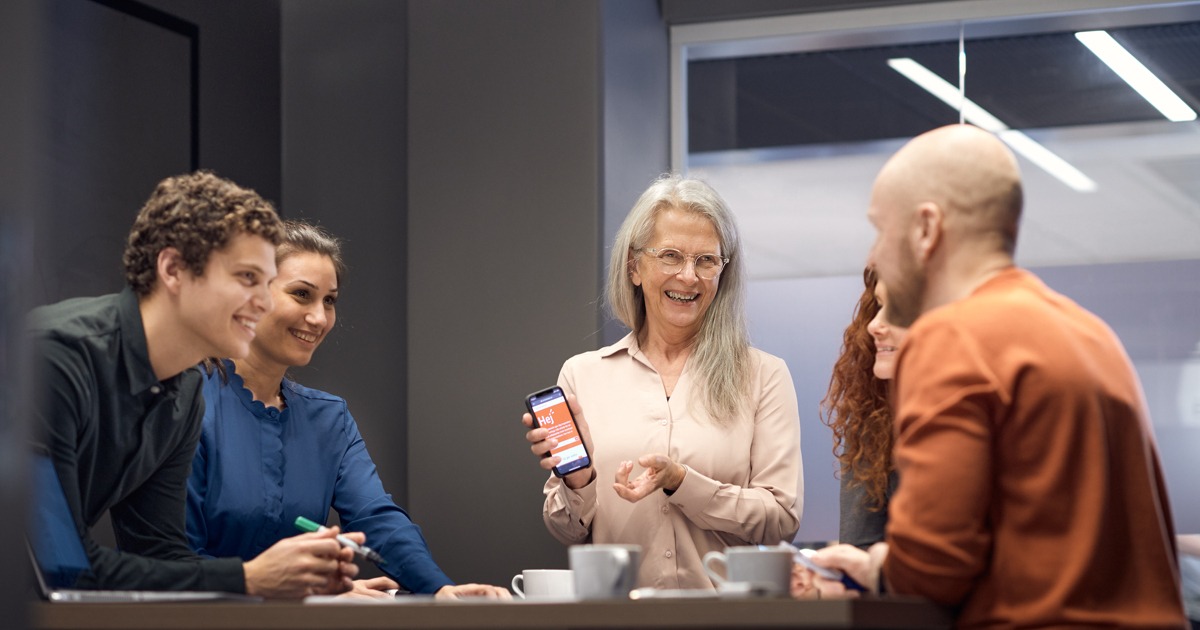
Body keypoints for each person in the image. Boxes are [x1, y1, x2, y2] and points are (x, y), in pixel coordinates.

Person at [804, 124, 1186, 627]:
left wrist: (874, 567)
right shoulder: (1092, 335)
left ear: (926, 229)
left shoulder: (952, 339)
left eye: (881, 229)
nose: (875, 254)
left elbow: (931, 570)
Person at [29, 172, 360, 597]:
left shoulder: (183, 390)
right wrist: (249, 579)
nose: (262, 302)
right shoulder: (54, 357)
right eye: (246, 278)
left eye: (265, 283)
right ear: (173, 269)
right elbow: (56, 562)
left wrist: (280, 588)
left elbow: (162, 554)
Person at [187, 220, 509, 600]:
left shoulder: (328, 418)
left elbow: (377, 518)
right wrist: (304, 599)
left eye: (329, 300)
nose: (320, 318)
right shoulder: (187, 406)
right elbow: (173, 560)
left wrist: (438, 589)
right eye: (302, 294)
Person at [521, 174, 802, 590]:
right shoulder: (583, 375)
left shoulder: (764, 375)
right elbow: (567, 530)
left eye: (706, 260)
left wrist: (682, 483)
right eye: (670, 256)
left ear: (723, 272)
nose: (688, 277)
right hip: (620, 622)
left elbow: (780, 520)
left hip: (728, 625)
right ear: (634, 267)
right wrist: (578, 481)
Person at [822, 268, 907, 549]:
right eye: (879, 307)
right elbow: (859, 549)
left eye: (897, 309)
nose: (874, 325)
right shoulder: (875, 421)